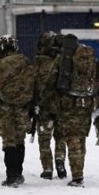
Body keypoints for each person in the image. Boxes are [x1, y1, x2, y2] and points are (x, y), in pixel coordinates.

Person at [44, 34, 99, 187]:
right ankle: (79, 170)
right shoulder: (92, 60)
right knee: (80, 139)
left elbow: (51, 81)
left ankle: (77, 176)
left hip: (68, 105)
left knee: (72, 140)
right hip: (87, 105)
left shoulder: (63, 60)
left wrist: (47, 102)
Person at [0, 34, 34, 188]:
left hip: (3, 107)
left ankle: (11, 175)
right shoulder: (24, 62)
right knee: (19, 140)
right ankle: (18, 173)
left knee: (8, 141)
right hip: (22, 107)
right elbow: (33, 83)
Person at [32, 32, 67, 179]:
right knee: (60, 136)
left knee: (44, 138)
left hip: (44, 106)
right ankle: (60, 159)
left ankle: (47, 168)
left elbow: (33, 85)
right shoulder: (64, 63)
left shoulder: (40, 64)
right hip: (62, 106)